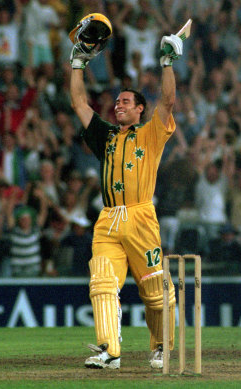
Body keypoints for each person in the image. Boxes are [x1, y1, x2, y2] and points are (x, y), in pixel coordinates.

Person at [68, 14, 183, 370]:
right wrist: (77, 64)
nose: (118, 105)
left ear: (139, 109)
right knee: (102, 282)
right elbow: (79, 104)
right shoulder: (105, 136)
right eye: (116, 102)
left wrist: (166, 64)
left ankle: (162, 346)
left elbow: (167, 102)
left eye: (125, 102)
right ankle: (110, 351)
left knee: (154, 292)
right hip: (108, 218)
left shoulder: (150, 134)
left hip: (141, 216)